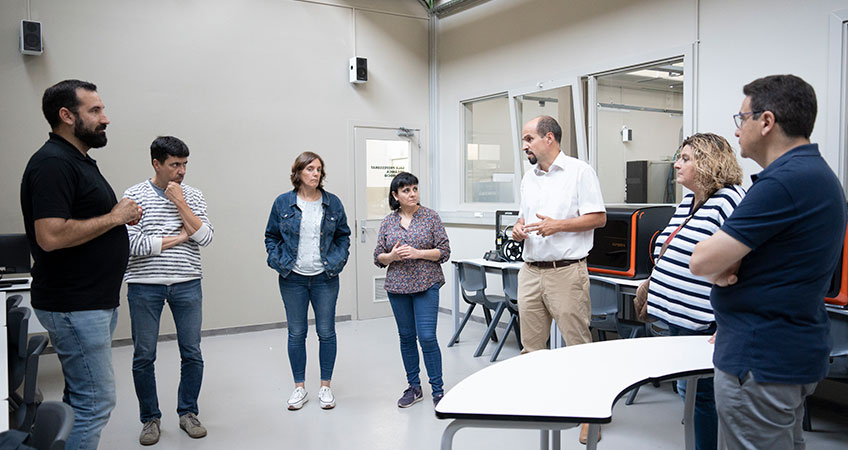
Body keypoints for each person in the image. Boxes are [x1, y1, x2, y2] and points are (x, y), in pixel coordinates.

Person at [690, 75, 847, 450]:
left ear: (766, 121)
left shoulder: (783, 183)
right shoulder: (818, 176)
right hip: (788, 350)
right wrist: (725, 268)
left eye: (741, 118)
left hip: (759, 359)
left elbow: (701, 260)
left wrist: (721, 269)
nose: (737, 129)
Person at [20, 79, 142, 450]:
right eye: (95, 110)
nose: (105, 118)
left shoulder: (76, 160)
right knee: (96, 402)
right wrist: (114, 217)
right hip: (75, 304)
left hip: (90, 302)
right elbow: (50, 235)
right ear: (66, 116)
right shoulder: (54, 163)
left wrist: (114, 218)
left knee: (80, 397)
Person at [646, 133, 745, 450]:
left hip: (703, 323)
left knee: (701, 397)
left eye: (686, 158)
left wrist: (730, 320)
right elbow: (674, 250)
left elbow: (747, 264)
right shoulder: (689, 201)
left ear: (708, 163)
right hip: (676, 318)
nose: (677, 164)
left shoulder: (729, 200)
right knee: (686, 392)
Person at [510, 115, 606, 443]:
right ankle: (542, 405)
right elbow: (522, 219)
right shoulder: (528, 178)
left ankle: (589, 417)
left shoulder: (580, 172)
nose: (525, 146)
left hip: (566, 271)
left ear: (549, 138)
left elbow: (598, 217)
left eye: (529, 139)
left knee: (577, 347)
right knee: (531, 348)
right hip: (531, 271)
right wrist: (517, 229)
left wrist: (559, 225)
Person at [123, 136, 214, 445]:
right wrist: (178, 237)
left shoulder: (193, 195)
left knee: (192, 352)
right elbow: (133, 246)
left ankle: (188, 413)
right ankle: (150, 419)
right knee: (143, 355)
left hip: (187, 282)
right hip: (144, 286)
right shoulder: (133, 196)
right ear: (156, 164)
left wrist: (180, 203)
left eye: (185, 164)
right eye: (175, 165)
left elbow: (204, 236)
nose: (181, 171)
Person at [264, 152, 351, 411]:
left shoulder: (332, 203)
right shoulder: (283, 203)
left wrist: (336, 262)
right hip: (293, 279)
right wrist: (280, 262)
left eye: (319, 170)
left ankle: (325, 387)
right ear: (298, 172)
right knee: (296, 333)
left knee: (326, 333)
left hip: (325, 278)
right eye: (310, 169)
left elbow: (343, 236)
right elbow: (271, 236)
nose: (315, 174)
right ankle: (299, 389)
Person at [374, 172, 451, 408]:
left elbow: (444, 252)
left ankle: (438, 390)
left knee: (427, 337)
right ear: (395, 195)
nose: (412, 194)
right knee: (407, 338)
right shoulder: (388, 222)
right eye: (406, 190)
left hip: (426, 284)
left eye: (415, 189)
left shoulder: (430, 217)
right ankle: (414, 387)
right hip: (397, 287)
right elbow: (378, 257)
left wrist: (419, 253)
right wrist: (392, 256)